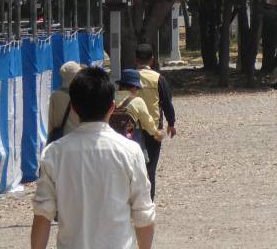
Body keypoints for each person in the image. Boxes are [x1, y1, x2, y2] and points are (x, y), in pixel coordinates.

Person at [33, 66, 154, 249]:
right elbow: (143, 214)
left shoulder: (54, 153)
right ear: (112, 106)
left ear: (74, 108)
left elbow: (42, 215)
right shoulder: (130, 151)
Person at [132, 45, 175, 199]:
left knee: (133, 166)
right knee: (151, 168)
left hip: (132, 128)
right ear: (152, 60)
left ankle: (133, 199)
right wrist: (171, 123)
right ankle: (148, 200)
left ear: (136, 60)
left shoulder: (131, 77)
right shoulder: (158, 79)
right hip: (153, 128)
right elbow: (166, 103)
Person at [47, 61, 83, 142]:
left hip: (62, 140)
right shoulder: (83, 94)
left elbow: (50, 123)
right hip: (81, 139)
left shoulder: (55, 96)